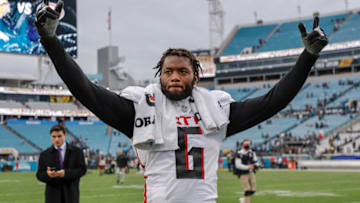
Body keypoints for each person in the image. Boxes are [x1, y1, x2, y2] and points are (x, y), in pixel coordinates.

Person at [35, 1, 328, 202]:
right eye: (168, 71)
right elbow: (86, 89)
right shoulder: (139, 107)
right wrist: (51, 41)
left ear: (195, 77)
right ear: (159, 75)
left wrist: (308, 57)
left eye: (182, 71)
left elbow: (272, 102)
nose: (174, 76)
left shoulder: (215, 108)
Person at [36, 124, 87, 203]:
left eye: (59, 136)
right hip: (52, 196)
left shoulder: (77, 152)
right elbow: (39, 174)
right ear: (51, 137)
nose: (56, 139)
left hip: (71, 195)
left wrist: (66, 173)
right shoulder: (44, 154)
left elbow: (82, 170)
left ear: (65, 135)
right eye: (54, 136)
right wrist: (48, 174)